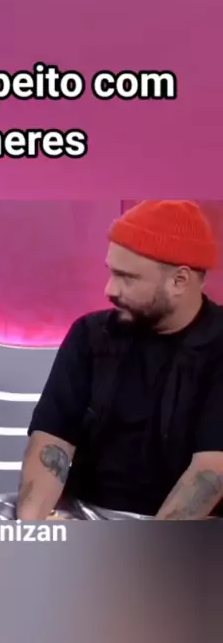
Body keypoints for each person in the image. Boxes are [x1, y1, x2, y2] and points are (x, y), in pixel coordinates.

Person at [16, 200, 223, 520]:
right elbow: (53, 441)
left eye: (128, 278)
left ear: (179, 281)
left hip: (179, 527)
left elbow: (210, 470)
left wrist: (141, 550)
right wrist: (30, 531)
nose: (110, 289)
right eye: (112, 273)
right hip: (86, 513)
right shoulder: (90, 335)